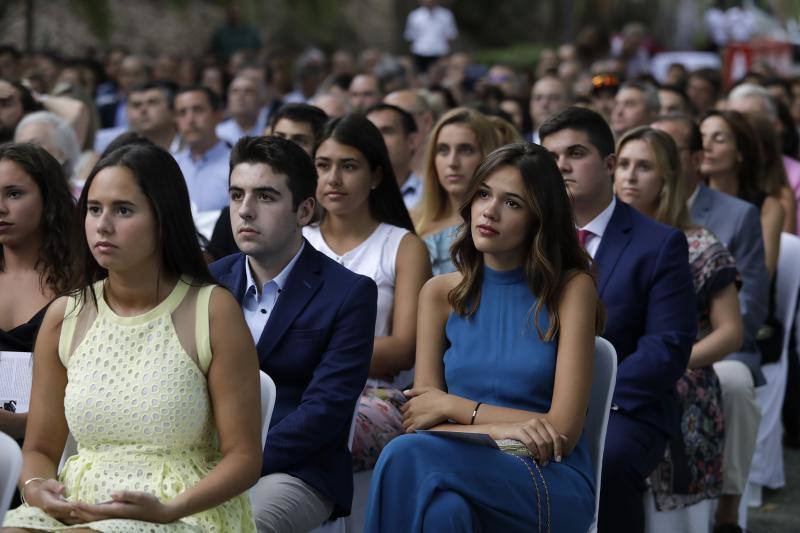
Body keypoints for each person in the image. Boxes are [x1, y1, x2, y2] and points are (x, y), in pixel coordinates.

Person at [2, 141, 262, 532]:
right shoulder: (65, 315)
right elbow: (40, 448)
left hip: (182, 508)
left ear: (163, 219)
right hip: (78, 500)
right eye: (93, 209)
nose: (103, 225)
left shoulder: (213, 310)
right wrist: (38, 488)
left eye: (123, 210)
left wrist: (169, 509)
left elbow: (243, 458)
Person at [364, 142, 604, 531]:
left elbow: (561, 430)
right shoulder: (440, 293)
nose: (489, 211)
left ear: (538, 219)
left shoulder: (572, 289)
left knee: (403, 455)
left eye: (512, 203)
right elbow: (421, 418)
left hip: (546, 475)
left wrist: (455, 407)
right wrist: (503, 428)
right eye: (484, 194)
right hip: (459, 463)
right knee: (444, 513)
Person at [540, 107, 697, 533]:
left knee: (608, 460)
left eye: (575, 153)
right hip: (529, 399)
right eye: (550, 157)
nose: (561, 166)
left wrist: (585, 401)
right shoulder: (529, 235)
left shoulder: (659, 243)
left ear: (610, 164)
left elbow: (667, 345)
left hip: (622, 406)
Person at [210, 136, 376, 532]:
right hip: (204, 458)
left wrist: (236, 463)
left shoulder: (349, 293)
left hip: (298, 469)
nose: (245, 211)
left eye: (265, 197)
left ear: (304, 210)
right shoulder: (208, 281)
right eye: (237, 195)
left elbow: (325, 412)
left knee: (243, 527)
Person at [614, 126, 742, 511]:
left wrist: (670, 361)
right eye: (622, 164)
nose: (630, 176)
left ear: (667, 178)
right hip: (611, 363)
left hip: (683, 365)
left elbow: (731, 332)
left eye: (644, 167)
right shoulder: (591, 239)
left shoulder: (698, 243)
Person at [653, 115, 769, 531]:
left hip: (718, 345)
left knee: (734, 385)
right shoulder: (624, 218)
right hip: (653, 346)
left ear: (694, 158)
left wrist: (682, 357)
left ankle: (727, 512)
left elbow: (750, 309)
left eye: (667, 149)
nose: (655, 158)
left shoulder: (735, 217)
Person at [303, 114, 431, 471]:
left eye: (349, 166)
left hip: (377, 397)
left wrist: (303, 347)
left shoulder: (403, 247)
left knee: (317, 426)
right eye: (323, 165)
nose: (333, 179)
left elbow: (403, 350)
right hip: (296, 390)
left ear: (375, 176)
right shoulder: (296, 241)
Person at [0, 143, 74, 441]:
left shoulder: (83, 281)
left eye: (14, 194)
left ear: (49, 198)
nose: (1, 207)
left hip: (57, 450)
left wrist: (22, 425)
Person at [208, 104, 327, 261]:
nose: (285, 148)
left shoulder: (331, 214)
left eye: (265, 196)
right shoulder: (216, 278)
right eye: (237, 195)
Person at [415, 107, 501, 276]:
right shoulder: (413, 223)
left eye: (465, 150)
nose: (452, 162)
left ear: (487, 156)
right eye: (443, 150)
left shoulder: (499, 224)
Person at [700, 110, 784, 280]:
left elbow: (761, 274)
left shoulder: (768, 207)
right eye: (701, 138)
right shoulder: (689, 198)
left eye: (719, 139)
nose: (706, 147)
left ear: (740, 152)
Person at [173, 85, 230, 213]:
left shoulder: (236, 165)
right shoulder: (171, 165)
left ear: (218, 115)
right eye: (182, 113)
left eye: (198, 110)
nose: (190, 120)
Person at [366, 103, 422, 209]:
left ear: (411, 141)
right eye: (370, 132)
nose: (377, 139)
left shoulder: (433, 195)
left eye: (387, 131)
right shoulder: (352, 196)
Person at [13, 111, 83, 196]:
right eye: (19, 148)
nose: (23, 153)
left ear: (62, 153)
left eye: (33, 145)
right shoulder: (11, 200)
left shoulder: (88, 196)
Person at [216, 74, 271, 146]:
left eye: (248, 91)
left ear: (261, 99)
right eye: (235, 91)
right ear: (228, 99)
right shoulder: (218, 134)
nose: (240, 96)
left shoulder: (271, 132)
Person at [528, 75, 570, 144]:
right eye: (538, 98)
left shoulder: (576, 144)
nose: (544, 104)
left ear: (567, 103)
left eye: (553, 98)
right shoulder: (517, 143)